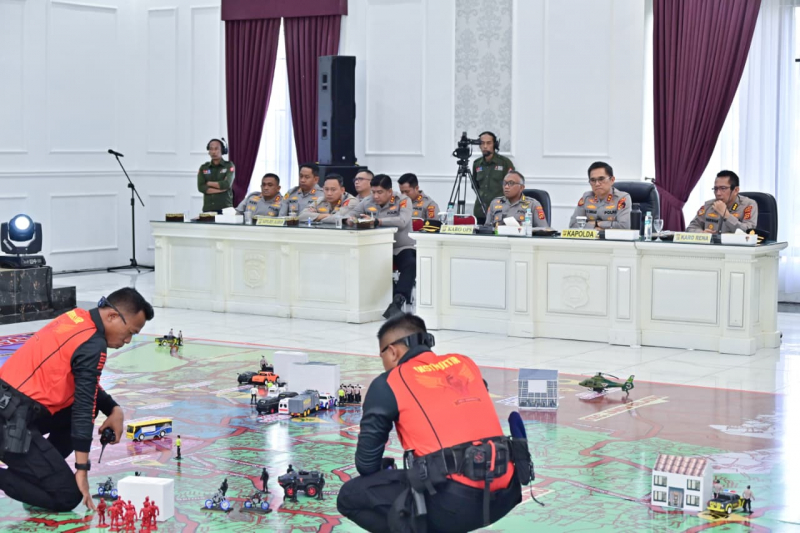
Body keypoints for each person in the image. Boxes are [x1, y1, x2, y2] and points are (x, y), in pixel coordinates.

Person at [337, 313, 522, 533]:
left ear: (392, 351)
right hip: (505, 493)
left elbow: (366, 464)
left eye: (382, 355)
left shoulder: (390, 382)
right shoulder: (464, 363)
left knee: (350, 496)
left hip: (454, 504)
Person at [0, 287, 153, 512]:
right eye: (130, 332)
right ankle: (29, 473)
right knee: (67, 496)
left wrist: (114, 409)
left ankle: (37, 468)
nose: (128, 340)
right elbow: (83, 405)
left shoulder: (77, 318)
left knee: (88, 407)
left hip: (13, 407)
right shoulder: (94, 344)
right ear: (112, 316)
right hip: (11, 422)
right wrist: (82, 469)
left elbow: (85, 384)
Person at [348, 174, 414, 318]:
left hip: (401, 247)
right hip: (378, 247)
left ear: (389, 191)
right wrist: (352, 220)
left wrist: (377, 221)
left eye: (380, 192)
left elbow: (402, 221)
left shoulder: (403, 200)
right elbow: (350, 215)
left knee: (410, 264)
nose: (376, 196)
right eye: (373, 192)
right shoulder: (367, 201)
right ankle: (381, 301)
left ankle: (397, 301)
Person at [686, 170, 758, 233]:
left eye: (723, 188)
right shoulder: (708, 205)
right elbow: (691, 228)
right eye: (716, 189)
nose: (718, 193)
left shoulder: (748, 205)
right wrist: (701, 233)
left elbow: (749, 231)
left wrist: (727, 215)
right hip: (712, 244)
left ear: (736, 190)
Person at [569, 161, 631, 229]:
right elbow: (573, 225)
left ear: (612, 180)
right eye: (593, 180)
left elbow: (624, 226)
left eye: (601, 179)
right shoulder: (586, 197)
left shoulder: (622, 198)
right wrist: (596, 228)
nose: (597, 184)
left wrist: (597, 223)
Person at [472, 131, 515, 223]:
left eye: (488, 143)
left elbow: (512, 186)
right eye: (482, 143)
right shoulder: (477, 164)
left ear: (495, 145)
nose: (485, 146)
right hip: (480, 211)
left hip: (500, 210)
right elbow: (475, 186)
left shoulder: (504, 163)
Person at [483, 171, 548, 229]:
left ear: (521, 187)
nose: (506, 187)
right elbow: (487, 229)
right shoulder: (495, 203)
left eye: (511, 183)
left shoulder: (533, 205)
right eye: (504, 183)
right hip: (499, 238)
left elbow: (543, 229)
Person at [197, 138, 235, 213]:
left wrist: (208, 183)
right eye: (211, 149)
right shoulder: (204, 167)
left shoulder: (229, 165)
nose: (213, 152)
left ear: (222, 150)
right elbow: (201, 187)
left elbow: (227, 184)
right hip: (208, 208)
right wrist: (221, 190)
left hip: (225, 208)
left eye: (216, 149)